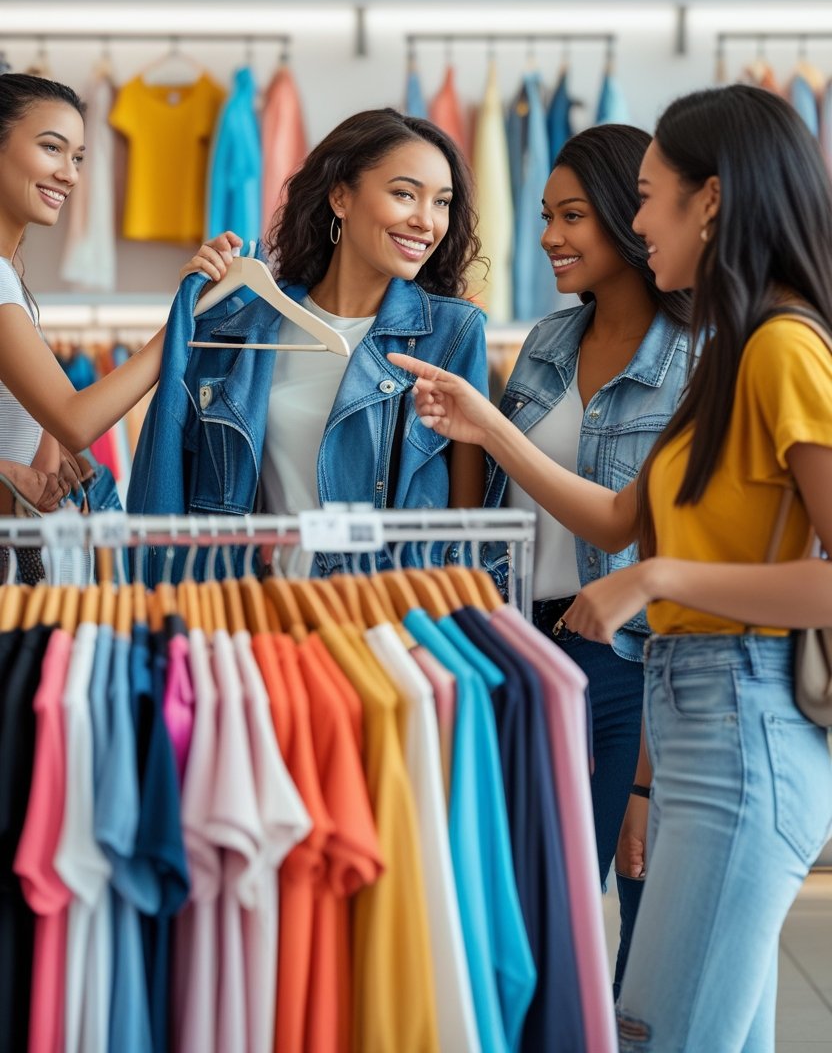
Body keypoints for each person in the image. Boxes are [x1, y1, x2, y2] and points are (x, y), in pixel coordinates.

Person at [390, 84, 832, 1052]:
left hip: (738, 714)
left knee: (653, 1031)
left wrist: (655, 579)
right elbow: (619, 513)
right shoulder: (730, 354)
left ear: (707, 201)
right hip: (692, 718)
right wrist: (485, 423)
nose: (635, 221)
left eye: (645, 194)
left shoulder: (780, 349)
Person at [481, 123, 691, 996]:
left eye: (572, 216)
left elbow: (649, 541)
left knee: (639, 926)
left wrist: (645, 776)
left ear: (624, 216)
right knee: (537, 907)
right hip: (523, 646)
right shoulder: (545, 344)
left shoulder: (700, 357)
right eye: (543, 216)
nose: (549, 238)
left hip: (632, 661)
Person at [259, 108, 488, 557]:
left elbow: (467, 531)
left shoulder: (453, 334)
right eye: (405, 194)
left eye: (441, 202)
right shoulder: (255, 327)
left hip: (390, 610)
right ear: (340, 197)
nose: (427, 221)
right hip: (267, 608)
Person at [0, 73, 233, 509]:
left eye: (79, 157)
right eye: (51, 148)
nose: (69, 174)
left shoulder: (11, 277)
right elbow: (75, 420)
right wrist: (184, 319)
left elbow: (46, 425)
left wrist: (44, 452)